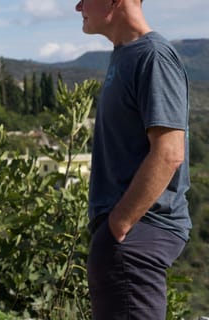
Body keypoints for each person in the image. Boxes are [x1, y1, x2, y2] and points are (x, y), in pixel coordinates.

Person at [77, 0, 191, 318]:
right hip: (127, 236)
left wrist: (120, 224)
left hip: (138, 233)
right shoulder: (125, 54)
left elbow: (169, 152)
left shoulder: (152, 56)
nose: (77, 7)